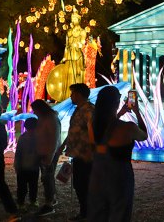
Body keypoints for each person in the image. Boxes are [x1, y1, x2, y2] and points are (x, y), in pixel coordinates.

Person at [87, 86, 147, 222]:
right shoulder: (128, 127)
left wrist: (120, 113)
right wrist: (137, 111)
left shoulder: (91, 124)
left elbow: (107, 131)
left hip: (97, 175)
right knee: (119, 212)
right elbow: (144, 135)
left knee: (98, 212)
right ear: (116, 102)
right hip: (119, 176)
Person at [59, 83, 95, 221]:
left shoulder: (88, 110)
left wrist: (90, 151)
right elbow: (75, 129)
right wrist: (63, 145)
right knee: (79, 184)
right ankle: (85, 212)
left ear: (79, 94)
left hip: (85, 155)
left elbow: (93, 131)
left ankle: (88, 213)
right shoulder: (78, 109)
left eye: (72, 93)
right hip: (77, 153)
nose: (70, 96)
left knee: (83, 184)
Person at [31, 99, 61, 216]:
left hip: (48, 153)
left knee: (47, 178)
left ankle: (49, 204)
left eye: (35, 110)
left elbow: (54, 139)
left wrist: (49, 156)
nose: (34, 112)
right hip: (44, 151)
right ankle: (51, 198)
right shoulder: (44, 118)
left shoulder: (51, 119)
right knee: (47, 178)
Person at [0, 104, 19, 221]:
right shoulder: (0, 127)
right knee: (1, 186)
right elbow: (3, 144)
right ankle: (13, 210)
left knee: (1, 186)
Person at [14, 117, 39, 211]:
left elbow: (18, 153)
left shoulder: (24, 137)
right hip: (24, 167)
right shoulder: (24, 138)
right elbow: (18, 153)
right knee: (23, 186)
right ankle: (22, 202)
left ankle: (31, 201)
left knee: (31, 185)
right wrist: (17, 165)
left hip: (31, 167)